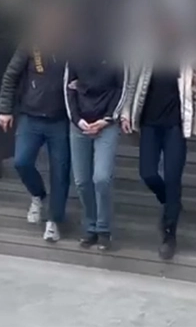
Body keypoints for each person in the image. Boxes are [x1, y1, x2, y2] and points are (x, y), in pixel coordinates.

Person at [122, 52, 196, 260]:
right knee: (148, 173)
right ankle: (171, 202)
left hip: (175, 126)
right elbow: (131, 83)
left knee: (172, 177)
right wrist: (126, 113)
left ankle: (169, 233)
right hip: (149, 123)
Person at [0, 2, 71, 243]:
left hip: (61, 120)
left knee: (60, 172)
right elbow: (11, 76)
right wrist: (5, 110)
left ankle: (53, 221)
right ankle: (38, 195)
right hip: (30, 116)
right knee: (21, 161)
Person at [64, 54, 128, 251]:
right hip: (79, 125)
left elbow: (122, 88)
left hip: (106, 125)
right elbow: (67, 89)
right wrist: (77, 120)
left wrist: (108, 119)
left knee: (101, 178)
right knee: (82, 181)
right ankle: (90, 226)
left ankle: (103, 229)